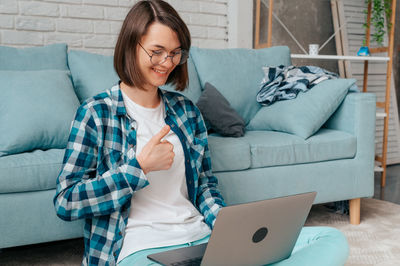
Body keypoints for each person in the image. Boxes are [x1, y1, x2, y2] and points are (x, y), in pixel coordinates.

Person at [54, 1, 349, 265]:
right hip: (139, 248)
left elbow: (205, 185)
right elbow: (67, 201)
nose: (167, 63)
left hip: (200, 236)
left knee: (329, 239)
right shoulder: (96, 113)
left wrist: (226, 225)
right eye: (157, 52)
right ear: (131, 46)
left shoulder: (186, 112)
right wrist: (138, 168)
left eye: (174, 54)